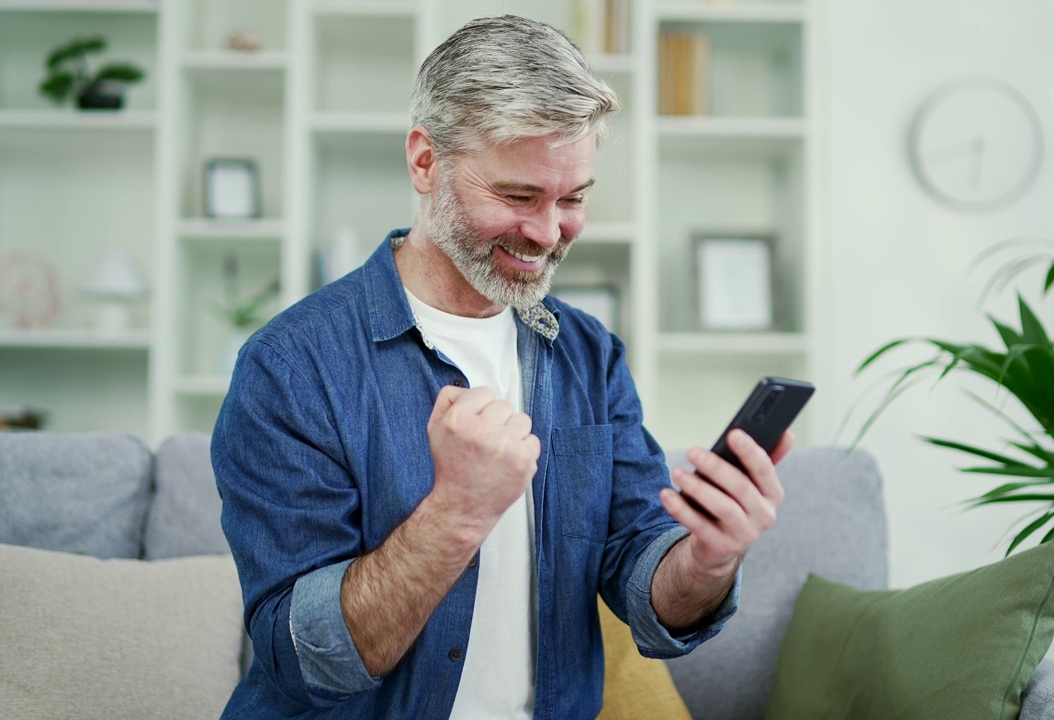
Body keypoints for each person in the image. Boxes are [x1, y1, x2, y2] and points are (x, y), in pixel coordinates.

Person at [212, 14, 793, 719]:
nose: (549, 233)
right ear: (425, 161)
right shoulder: (290, 367)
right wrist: (457, 511)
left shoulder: (589, 355)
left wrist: (706, 560)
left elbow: (643, 587)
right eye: (518, 197)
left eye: (573, 199)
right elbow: (305, 663)